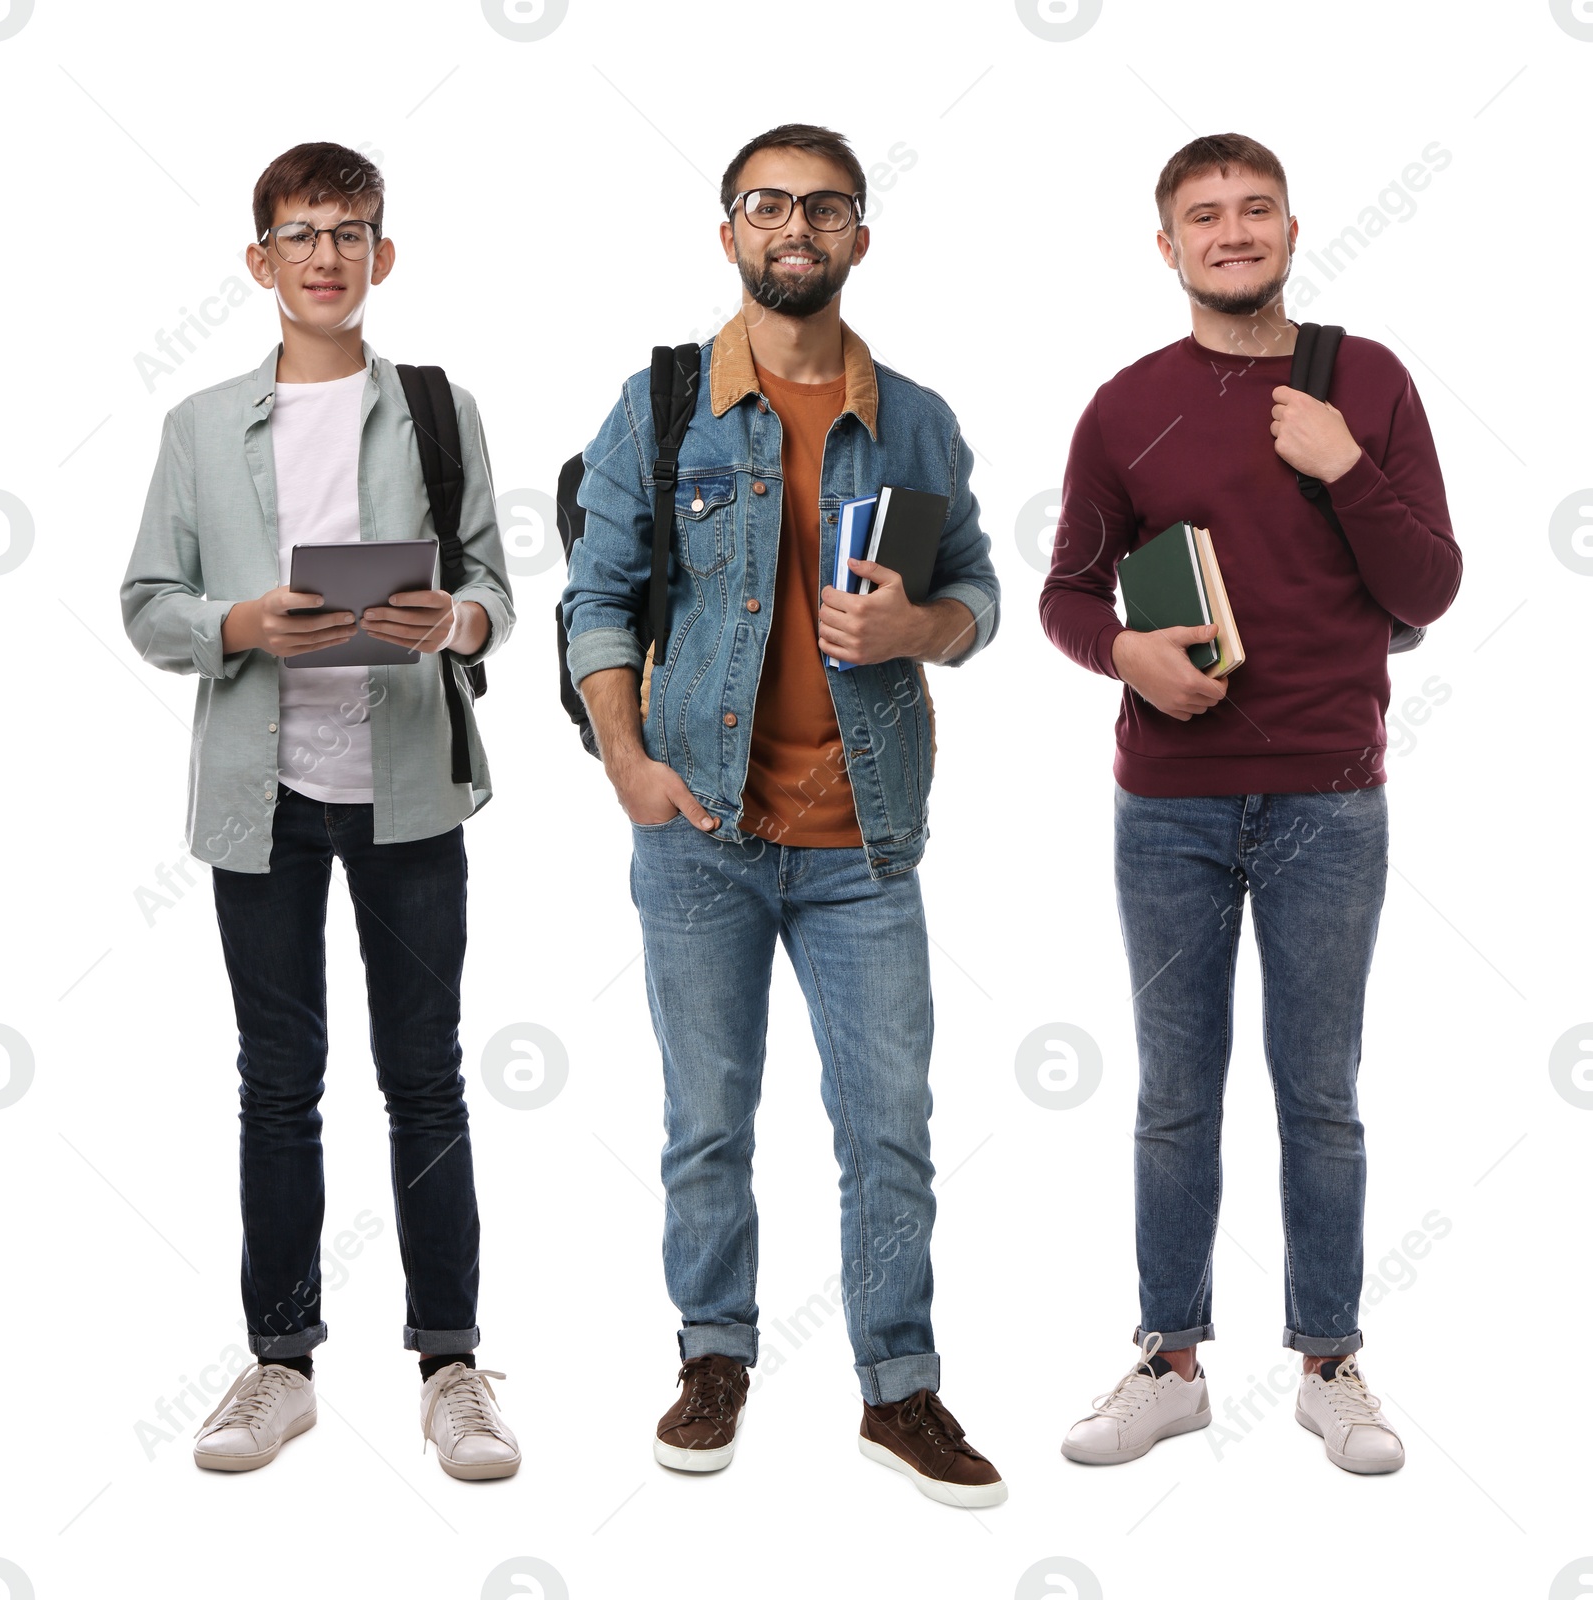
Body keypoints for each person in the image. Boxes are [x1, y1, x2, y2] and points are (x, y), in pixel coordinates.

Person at [562, 124, 1005, 1508]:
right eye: (767, 205)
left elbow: (977, 595)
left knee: (890, 1125)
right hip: (696, 830)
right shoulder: (662, 405)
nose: (793, 227)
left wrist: (922, 623)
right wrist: (626, 765)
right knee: (708, 1120)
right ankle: (714, 1359)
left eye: (822, 208)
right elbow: (595, 600)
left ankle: (899, 1386)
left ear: (860, 237)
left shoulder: (917, 419)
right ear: (730, 232)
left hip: (865, 842)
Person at [1040, 132, 1461, 1476]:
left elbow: (1430, 589)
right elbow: (1066, 593)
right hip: (1166, 804)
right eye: (1203, 216)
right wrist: (1127, 655)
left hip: (1332, 798)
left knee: (1319, 1092)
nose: (1232, 233)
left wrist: (1346, 465)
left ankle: (1330, 1361)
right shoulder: (1123, 405)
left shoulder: (1367, 384)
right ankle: (1169, 1359)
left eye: (1254, 210)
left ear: (1290, 228)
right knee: (1174, 1092)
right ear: (1167, 248)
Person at [121, 141, 520, 1480]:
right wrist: (235, 620)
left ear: (382, 256)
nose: (327, 255)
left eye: (351, 232)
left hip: (410, 791)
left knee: (428, 1079)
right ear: (261, 262)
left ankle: (452, 1363)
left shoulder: (435, 407)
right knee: (277, 1083)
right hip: (264, 803)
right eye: (301, 233)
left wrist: (455, 618)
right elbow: (144, 605)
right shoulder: (197, 427)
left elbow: (494, 593)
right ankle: (279, 1363)